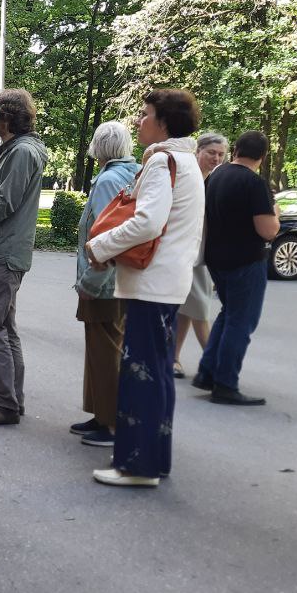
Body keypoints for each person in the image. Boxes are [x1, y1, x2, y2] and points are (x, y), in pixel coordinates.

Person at [84, 89, 205, 487]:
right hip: (168, 283)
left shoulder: (163, 161)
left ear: (164, 122)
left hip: (151, 285)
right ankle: (153, 460)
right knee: (156, 373)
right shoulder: (186, 161)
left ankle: (138, 466)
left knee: (142, 375)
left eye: (145, 114)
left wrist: (100, 246)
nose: (139, 121)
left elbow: (148, 222)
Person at [0, 89, 47, 426]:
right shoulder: (20, 149)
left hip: (2, 254)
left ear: (6, 116)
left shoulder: (21, 152)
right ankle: (11, 400)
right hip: (7, 252)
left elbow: (4, 203)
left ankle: (4, 403)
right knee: (4, 326)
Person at [193, 130, 279, 405]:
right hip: (246, 259)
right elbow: (267, 230)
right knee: (242, 321)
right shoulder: (254, 184)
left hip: (217, 257)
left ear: (236, 150)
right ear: (262, 157)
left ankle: (207, 371)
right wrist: (277, 217)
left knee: (228, 314)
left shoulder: (217, 176)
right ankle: (226, 383)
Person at [70, 121, 139, 447]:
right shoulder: (131, 173)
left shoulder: (110, 180)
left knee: (105, 348)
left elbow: (106, 236)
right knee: (102, 347)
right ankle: (100, 414)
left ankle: (110, 422)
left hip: (105, 279)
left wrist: (91, 281)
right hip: (117, 278)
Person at [173, 132, 228, 378]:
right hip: (189, 254)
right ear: (198, 151)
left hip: (199, 254)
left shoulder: (210, 180)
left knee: (188, 310)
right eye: (211, 153)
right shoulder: (191, 177)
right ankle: (213, 367)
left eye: (221, 154)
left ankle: (172, 358)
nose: (216, 158)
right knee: (200, 311)